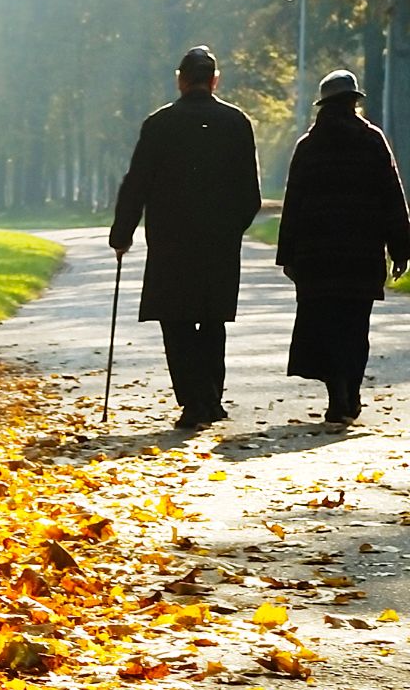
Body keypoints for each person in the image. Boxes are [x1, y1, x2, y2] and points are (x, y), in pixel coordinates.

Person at [109, 46, 262, 430]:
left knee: (176, 321)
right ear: (214, 80)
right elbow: (251, 195)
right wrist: (231, 229)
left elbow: (137, 183)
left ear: (180, 79)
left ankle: (194, 401)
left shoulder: (159, 124)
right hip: (218, 243)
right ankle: (210, 397)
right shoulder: (236, 122)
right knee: (213, 320)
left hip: (171, 242)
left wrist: (122, 233)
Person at [276, 69, 410, 424]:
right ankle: (349, 393)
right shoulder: (372, 140)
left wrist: (287, 254)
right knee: (354, 326)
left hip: (316, 257)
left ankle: (338, 394)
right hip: (360, 256)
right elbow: (392, 197)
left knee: (324, 325)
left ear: (323, 106)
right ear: (354, 103)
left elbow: (294, 203)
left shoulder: (308, 146)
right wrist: (401, 249)